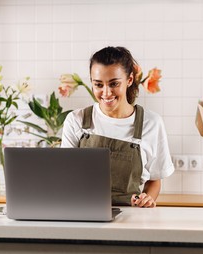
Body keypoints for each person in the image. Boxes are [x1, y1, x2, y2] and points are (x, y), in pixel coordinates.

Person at [61, 46, 174, 207]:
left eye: (114, 84)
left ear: (129, 80)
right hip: (83, 212)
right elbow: (66, 176)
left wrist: (147, 199)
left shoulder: (151, 123)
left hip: (130, 216)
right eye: (98, 85)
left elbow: (154, 180)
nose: (106, 93)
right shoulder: (76, 120)